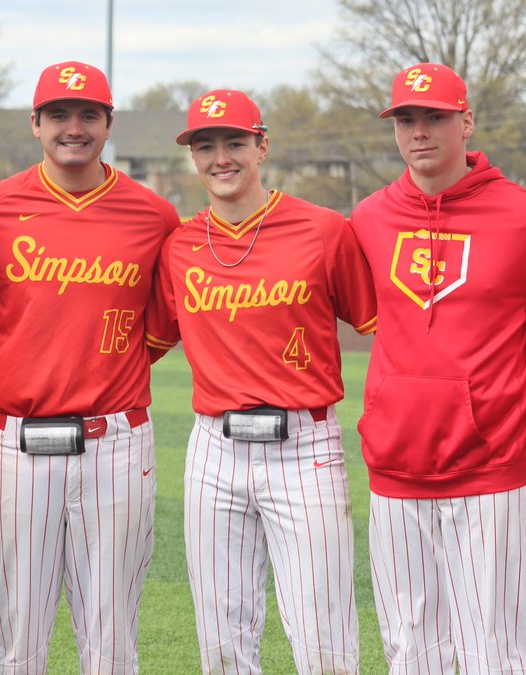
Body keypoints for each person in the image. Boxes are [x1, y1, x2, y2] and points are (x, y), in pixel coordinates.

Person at [145, 89, 376, 673]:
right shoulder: (179, 246)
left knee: (323, 636)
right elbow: (143, 342)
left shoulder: (323, 230)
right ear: (192, 159)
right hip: (212, 452)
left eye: (234, 143)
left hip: (305, 448)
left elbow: (384, 329)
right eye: (206, 146)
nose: (221, 158)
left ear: (261, 146)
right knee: (222, 639)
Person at [0, 60, 179, 673]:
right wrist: (22, 354)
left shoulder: (154, 215)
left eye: (89, 114)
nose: (73, 127)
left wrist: (107, 364)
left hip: (116, 442)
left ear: (109, 124)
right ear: (35, 124)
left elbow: (162, 323)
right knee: (17, 637)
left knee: (111, 641)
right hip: (16, 443)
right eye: (59, 114)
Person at [349, 64, 526, 673]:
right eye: (407, 119)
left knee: (494, 652)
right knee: (410, 651)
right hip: (396, 469)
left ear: (465, 122)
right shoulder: (368, 218)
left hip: (493, 471)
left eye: (436, 117)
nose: (420, 131)